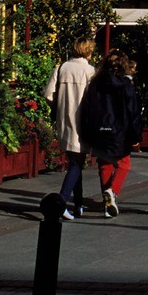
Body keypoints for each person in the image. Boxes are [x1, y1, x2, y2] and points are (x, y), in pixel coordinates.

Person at [78, 49, 142, 217]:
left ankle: (108, 201)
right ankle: (112, 192)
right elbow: (132, 112)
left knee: (104, 165)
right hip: (119, 131)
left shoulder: (95, 84)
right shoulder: (126, 86)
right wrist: (135, 136)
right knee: (123, 164)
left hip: (99, 130)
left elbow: (87, 108)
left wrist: (87, 131)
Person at [43, 39, 97, 220]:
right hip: (82, 123)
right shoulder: (90, 72)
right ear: (88, 52)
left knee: (75, 162)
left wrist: (59, 107)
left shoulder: (62, 68)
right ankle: (61, 203)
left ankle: (78, 204)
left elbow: (48, 94)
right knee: (76, 163)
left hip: (64, 120)